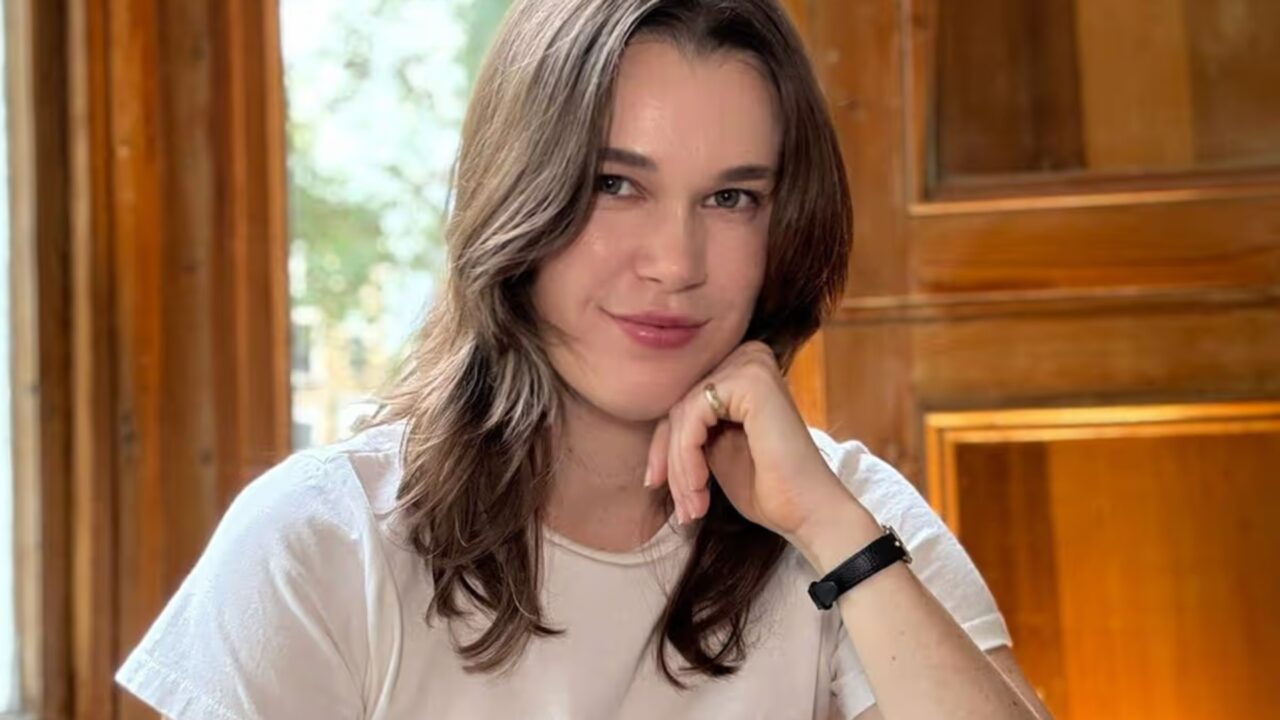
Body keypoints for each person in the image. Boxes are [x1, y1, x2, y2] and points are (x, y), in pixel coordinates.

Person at [116, 1, 1052, 718]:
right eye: (616, 185)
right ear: (518, 196)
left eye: (731, 199)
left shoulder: (853, 519)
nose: (675, 263)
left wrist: (830, 530)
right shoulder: (321, 541)